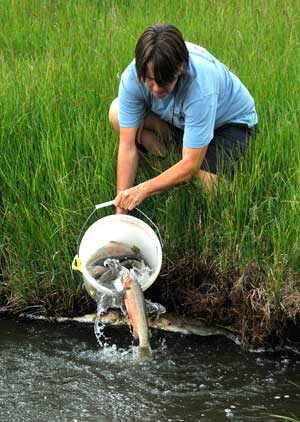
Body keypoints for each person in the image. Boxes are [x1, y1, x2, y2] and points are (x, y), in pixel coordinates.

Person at [109, 23, 258, 214]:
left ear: (180, 69)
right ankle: (167, 164)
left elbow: (190, 166)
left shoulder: (200, 86)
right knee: (117, 112)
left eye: (163, 82)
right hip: (181, 121)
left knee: (209, 184)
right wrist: (121, 212)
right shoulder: (133, 77)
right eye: (150, 80)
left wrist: (143, 189)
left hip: (229, 124)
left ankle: (185, 173)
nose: (155, 89)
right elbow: (127, 146)